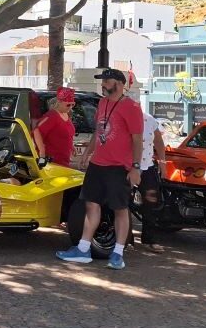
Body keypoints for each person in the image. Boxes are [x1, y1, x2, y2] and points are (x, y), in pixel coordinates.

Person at [56, 68, 142, 270]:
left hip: (119, 166)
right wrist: (87, 154)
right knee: (91, 204)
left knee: (120, 209)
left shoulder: (131, 107)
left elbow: (138, 139)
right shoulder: (102, 103)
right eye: (102, 81)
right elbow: (99, 131)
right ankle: (83, 249)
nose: (103, 84)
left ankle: (118, 254)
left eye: (107, 81)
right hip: (98, 164)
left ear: (119, 84)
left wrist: (135, 167)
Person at [138, 111, 167, 249]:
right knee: (123, 203)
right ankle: (126, 240)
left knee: (151, 201)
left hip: (147, 166)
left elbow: (159, 141)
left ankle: (150, 239)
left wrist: (162, 162)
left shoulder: (149, 119)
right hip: (127, 166)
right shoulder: (123, 117)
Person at [33, 88, 77, 168]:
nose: (70, 107)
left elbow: (65, 133)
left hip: (64, 160)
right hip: (53, 161)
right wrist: (42, 153)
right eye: (68, 105)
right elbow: (36, 131)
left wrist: (72, 146)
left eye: (72, 104)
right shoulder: (52, 116)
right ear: (59, 102)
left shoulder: (65, 114)